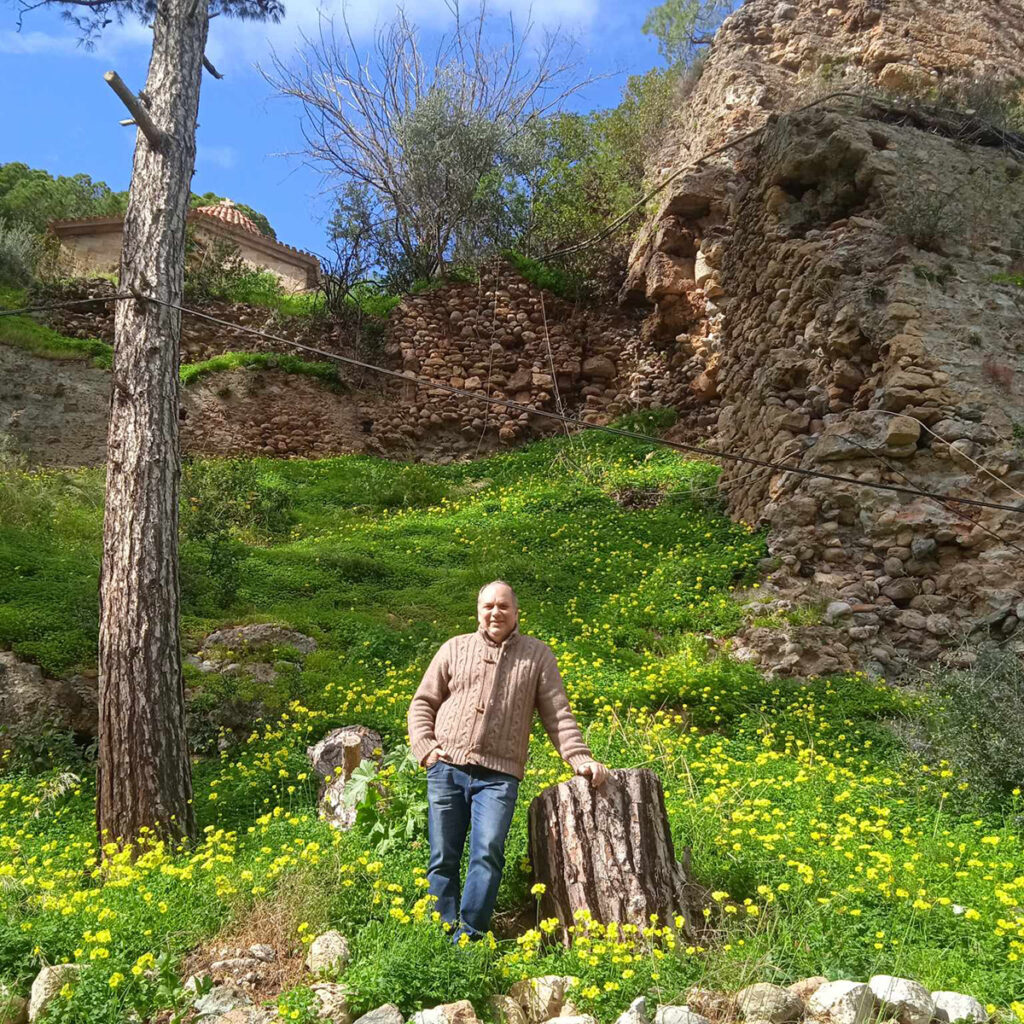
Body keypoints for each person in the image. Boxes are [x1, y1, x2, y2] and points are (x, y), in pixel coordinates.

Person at [407, 580, 610, 944]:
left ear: (516, 612)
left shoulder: (537, 656)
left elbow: (558, 714)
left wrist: (579, 757)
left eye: (503, 606)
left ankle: (468, 939)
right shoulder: (454, 648)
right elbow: (423, 703)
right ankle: (439, 935)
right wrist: (427, 749)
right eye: (488, 606)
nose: (495, 612)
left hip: (499, 776)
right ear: (478, 611)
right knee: (442, 857)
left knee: (487, 854)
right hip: (447, 767)